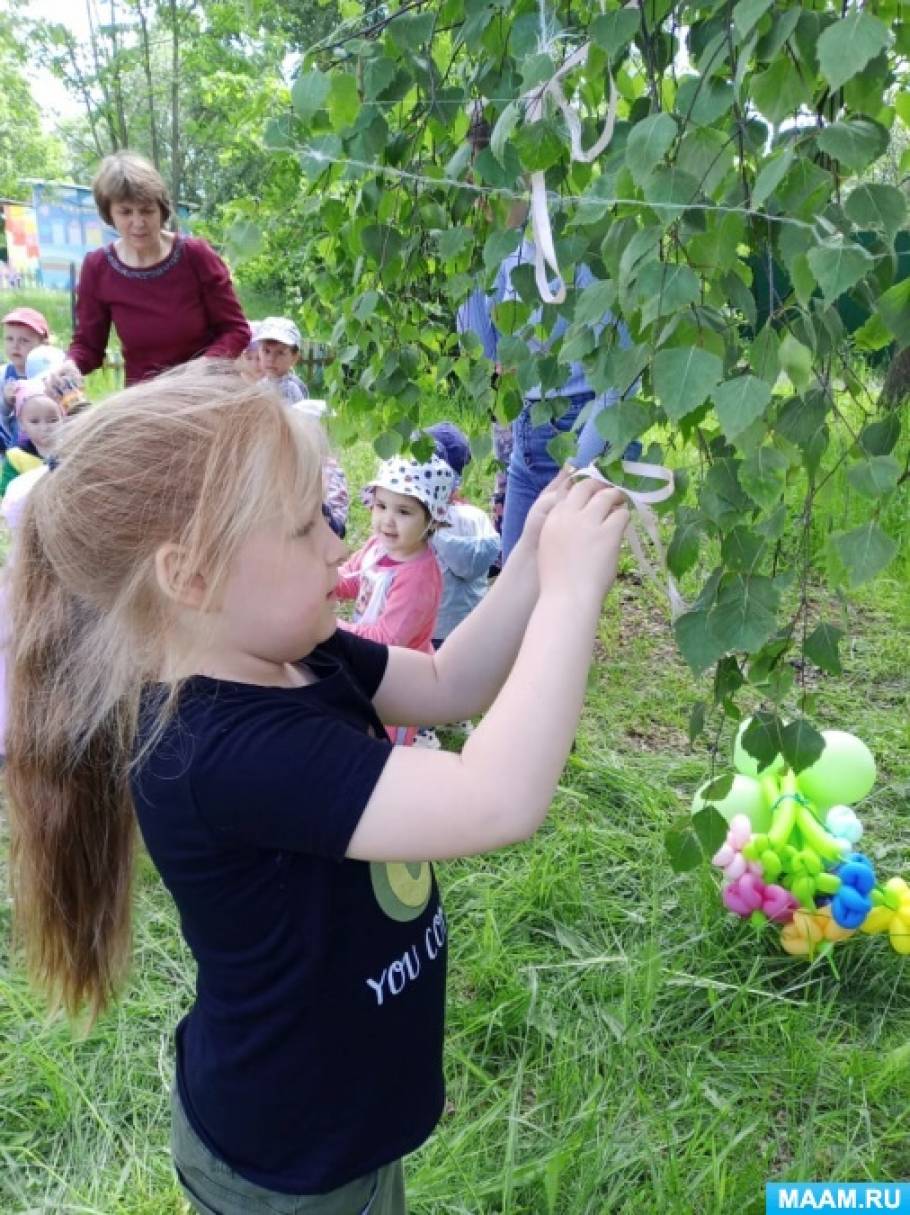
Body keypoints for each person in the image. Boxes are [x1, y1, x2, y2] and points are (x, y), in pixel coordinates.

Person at [5, 362, 628, 1214]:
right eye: (304, 527)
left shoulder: (298, 647)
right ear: (190, 576)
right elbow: (499, 796)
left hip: (338, 1121)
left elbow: (448, 681)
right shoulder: (218, 752)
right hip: (287, 1166)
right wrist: (574, 587)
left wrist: (534, 546)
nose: (339, 542)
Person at [67, 151, 250, 386]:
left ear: (161, 209)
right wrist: (70, 366)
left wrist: (202, 368)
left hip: (206, 391)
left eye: (146, 210)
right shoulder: (98, 267)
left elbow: (236, 330)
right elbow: (88, 346)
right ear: (109, 213)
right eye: (125, 212)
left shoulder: (195, 255)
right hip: (145, 402)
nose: (138, 222)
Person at [337, 453, 455, 744]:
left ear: (431, 519)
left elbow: (386, 638)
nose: (387, 520)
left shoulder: (417, 576)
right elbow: (350, 580)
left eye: (404, 512)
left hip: (398, 677)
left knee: (384, 737)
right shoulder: (378, 547)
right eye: (381, 506)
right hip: (371, 658)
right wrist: (317, 580)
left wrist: (332, 627)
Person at [416, 422, 500, 747]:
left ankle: (435, 721)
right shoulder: (420, 514)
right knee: (438, 670)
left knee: (440, 671)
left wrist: (437, 533)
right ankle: (439, 717)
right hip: (445, 618)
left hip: (448, 618)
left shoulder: (460, 519)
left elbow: (477, 560)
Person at [2, 307, 49, 448]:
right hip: (14, 449)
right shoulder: (4, 375)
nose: (15, 346)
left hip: (48, 442)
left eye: (24, 341)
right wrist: (5, 402)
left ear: (43, 345)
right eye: (9, 339)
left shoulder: (49, 374)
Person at [256, 316, 309, 405]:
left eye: (280, 353)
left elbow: (296, 417)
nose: (271, 359)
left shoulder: (290, 389)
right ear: (259, 351)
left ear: (294, 358)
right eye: (266, 351)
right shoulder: (261, 384)